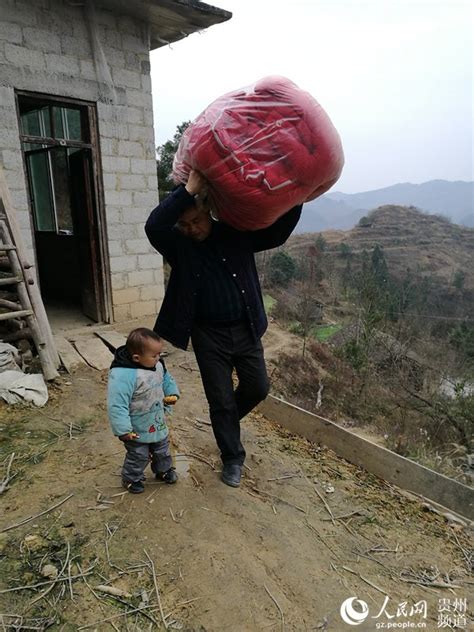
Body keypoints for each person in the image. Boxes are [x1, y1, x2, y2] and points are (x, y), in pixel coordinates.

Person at [145, 170, 302, 488]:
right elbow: (153, 226)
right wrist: (187, 190)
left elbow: (278, 233)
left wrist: (297, 194)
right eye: (184, 224)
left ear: (208, 212)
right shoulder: (179, 246)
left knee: (258, 388)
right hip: (208, 336)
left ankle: (225, 420)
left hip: (245, 329)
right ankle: (232, 457)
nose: (191, 229)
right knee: (220, 400)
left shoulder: (236, 232)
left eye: (196, 222)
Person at [107, 327, 180, 494]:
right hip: (136, 426)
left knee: (162, 448)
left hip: (156, 420)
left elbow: (166, 379)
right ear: (136, 358)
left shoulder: (157, 364)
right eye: (154, 356)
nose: (158, 358)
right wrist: (123, 430)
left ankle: (164, 470)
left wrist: (172, 393)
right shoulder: (123, 375)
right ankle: (131, 478)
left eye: (159, 354)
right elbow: (117, 404)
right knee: (138, 455)